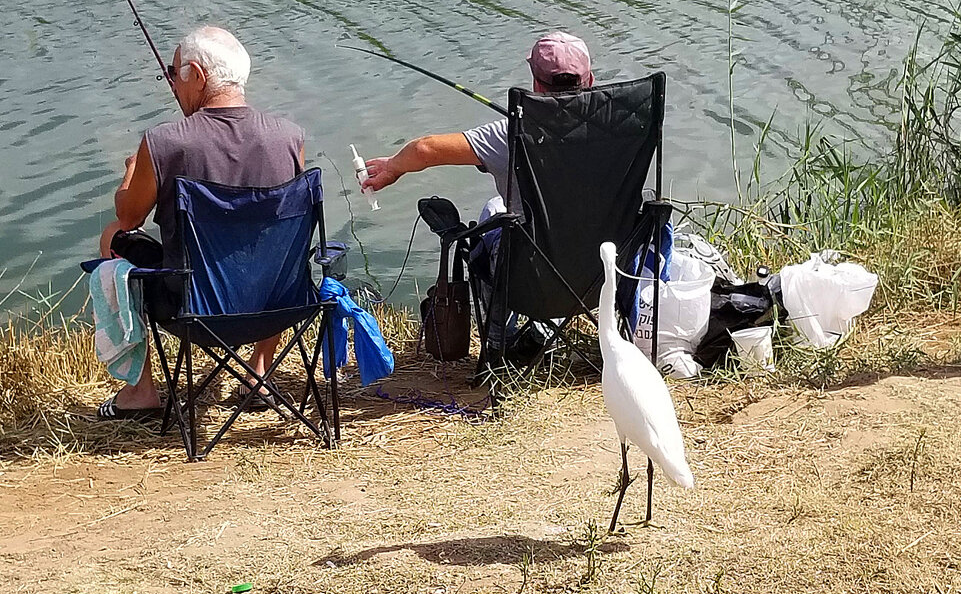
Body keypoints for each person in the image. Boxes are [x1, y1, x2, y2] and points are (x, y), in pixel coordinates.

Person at [96, 25, 305, 420]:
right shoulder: (290, 137)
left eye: (173, 74)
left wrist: (132, 171)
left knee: (112, 236)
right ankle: (259, 372)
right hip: (276, 302)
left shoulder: (163, 142)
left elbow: (129, 216)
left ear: (196, 73)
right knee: (272, 251)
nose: (172, 83)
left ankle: (139, 392)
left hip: (192, 306)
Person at [362, 32, 594, 355]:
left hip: (532, 274)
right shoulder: (619, 128)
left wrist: (393, 167)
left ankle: (501, 340)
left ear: (536, 86)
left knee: (491, 219)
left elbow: (426, 149)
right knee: (500, 209)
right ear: (591, 80)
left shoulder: (511, 134)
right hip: (601, 269)